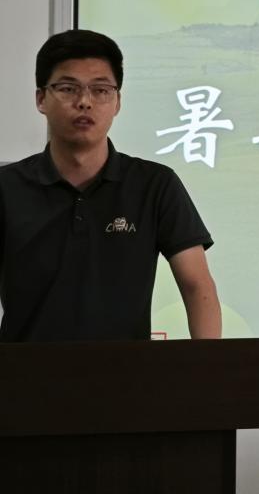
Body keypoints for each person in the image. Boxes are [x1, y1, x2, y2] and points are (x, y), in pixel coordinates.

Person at [0, 29, 221, 341]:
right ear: (41, 99)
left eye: (101, 90)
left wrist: (208, 365)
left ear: (117, 102)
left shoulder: (155, 185)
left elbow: (197, 285)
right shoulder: (7, 188)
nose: (84, 102)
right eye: (68, 88)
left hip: (129, 370)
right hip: (24, 370)